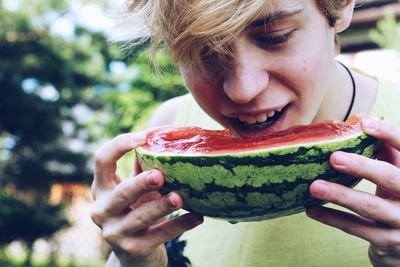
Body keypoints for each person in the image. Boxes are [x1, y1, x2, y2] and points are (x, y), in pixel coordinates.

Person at [90, 0, 400, 266]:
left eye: (274, 37)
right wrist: (134, 260)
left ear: (341, 5)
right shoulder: (169, 122)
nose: (242, 90)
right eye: (204, 49)